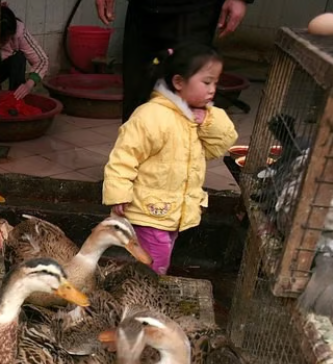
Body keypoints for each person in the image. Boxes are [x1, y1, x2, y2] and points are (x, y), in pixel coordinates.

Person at [102, 42, 238, 275]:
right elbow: (123, 157)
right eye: (206, 82)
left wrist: (208, 120)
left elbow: (221, 144)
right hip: (148, 210)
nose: (212, 90)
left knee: (158, 254)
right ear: (178, 82)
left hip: (173, 210)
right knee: (156, 260)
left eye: (216, 82)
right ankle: (149, 293)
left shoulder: (196, 118)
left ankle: (141, 287)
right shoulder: (152, 116)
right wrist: (119, 193)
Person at [95, 0, 253, 122]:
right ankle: (132, 158)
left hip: (197, 10)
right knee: (137, 92)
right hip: (143, 8)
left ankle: (177, 159)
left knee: (187, 99)